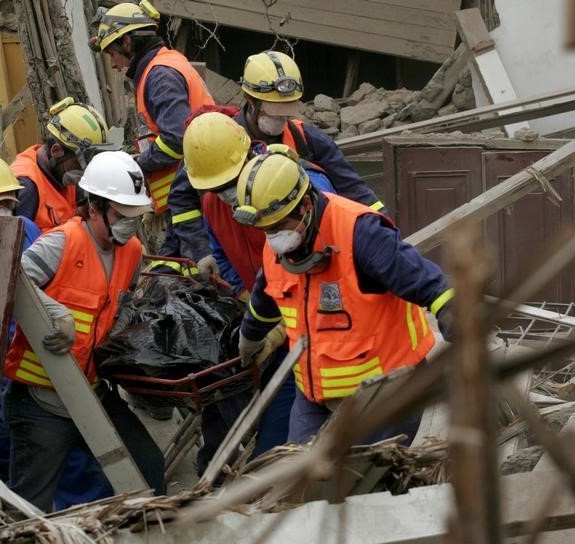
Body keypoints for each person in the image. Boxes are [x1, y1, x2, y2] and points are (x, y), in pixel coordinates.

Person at [233, 151, 455, 445]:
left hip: (384, 395)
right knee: (298, 481)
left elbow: (425, 281)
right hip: (314, 396)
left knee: (364, 484)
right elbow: (266, 297)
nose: (272, 237)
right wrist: (250, 336)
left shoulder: (360, 232)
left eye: (277, 227)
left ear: (306, 205)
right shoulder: (276, 250)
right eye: (265, 230)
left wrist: (454, 313)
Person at [3, 151, 165, 511]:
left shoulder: (133, 251)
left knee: (148, 468)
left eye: (135, 217)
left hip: (91, 392)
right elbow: (10, 280)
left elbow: (121, 308)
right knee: (29, 504)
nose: (130, 226)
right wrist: (52, 311)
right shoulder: (61, 243)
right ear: (93, 208)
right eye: (122, 216)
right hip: (41, 400)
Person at [0, 153, 115, 510]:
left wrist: (54, 314)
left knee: (68, 466)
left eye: (6, 206)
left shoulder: (24, 231)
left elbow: (42, 288)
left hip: (27, 365)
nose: (1, 216)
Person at [181, 112, 337, 464]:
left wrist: (280, 327)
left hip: (321, 328)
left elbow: (327, 275)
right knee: (229, 405)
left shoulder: (298, 187)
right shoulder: (212, 202)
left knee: (284, 436)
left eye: (228, 184)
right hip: (270, 313)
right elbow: (224, 250)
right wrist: (245, 299)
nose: (224, 196)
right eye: (214, 188)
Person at [90, 1, 216, 276]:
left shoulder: (159, 76)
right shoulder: (163, 66)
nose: (112, 63)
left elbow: (176, 140)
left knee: (194, 276)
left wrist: (136, 164)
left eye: (112, 52)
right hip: (187, 197)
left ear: (126, 43)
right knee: (169, 271)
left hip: (191, 199)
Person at [236, 51, 386, 213]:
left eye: (287, 109)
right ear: (250, 99)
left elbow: (355, 190)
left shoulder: (307, 139)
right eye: (274, 109)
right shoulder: (227, 144)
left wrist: (382, 225)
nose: (281, 117)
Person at [12, 96, 112, 232]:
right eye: (82, 163)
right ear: (57, 151)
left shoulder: (62, 173)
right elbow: (13, 247)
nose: (85, 172)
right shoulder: (27, 187)